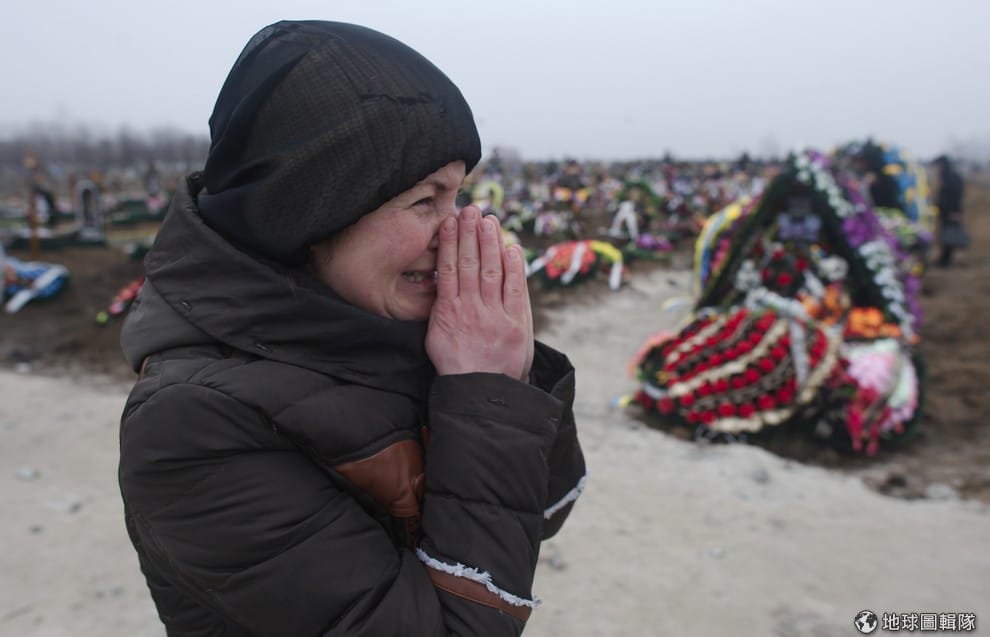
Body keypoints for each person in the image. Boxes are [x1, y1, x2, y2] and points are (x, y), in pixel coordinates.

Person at [118, 20, 586, 636]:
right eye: (425, 200)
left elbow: (543, 510)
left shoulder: (390, 329)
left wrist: (510, 378)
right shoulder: (191, 424)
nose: (456, 231)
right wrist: (486, 394)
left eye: (457, 196)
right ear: (310, 213)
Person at [932, 154, 967, 268]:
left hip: (951, 212)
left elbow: (956, 197)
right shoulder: (947, 176)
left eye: (938, 165)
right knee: (945, 235)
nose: (937, 168)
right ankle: (943, 258)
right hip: (945, 212)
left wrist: (955, 211)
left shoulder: (953, 177)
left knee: (950, 236)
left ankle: (946, 261)